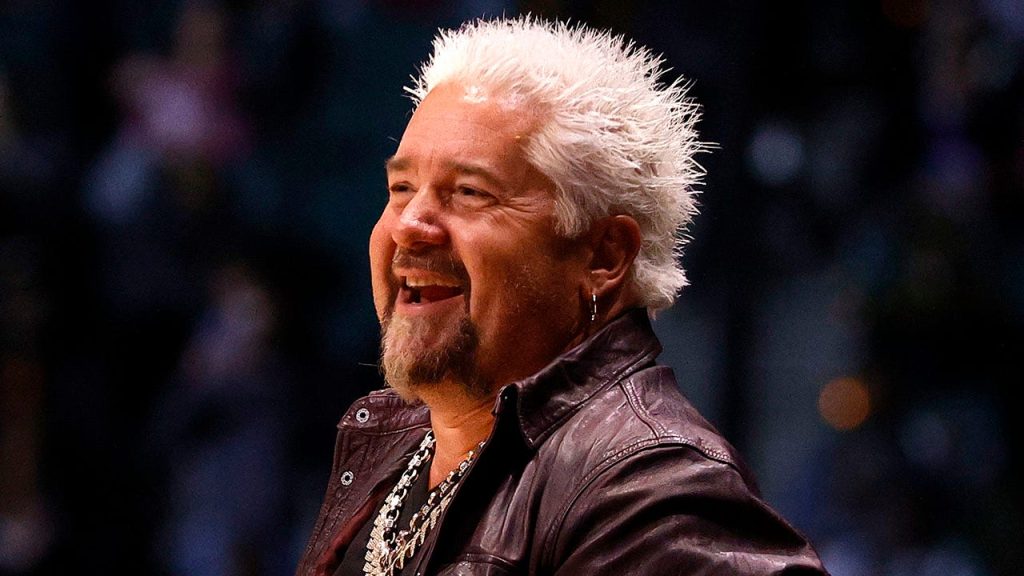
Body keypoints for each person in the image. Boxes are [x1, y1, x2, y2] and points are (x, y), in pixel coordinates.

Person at [295, 16, 828, 576]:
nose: (409, 225)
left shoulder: (654, 498)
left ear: (603, 257)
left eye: (470, 192)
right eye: (401, 188)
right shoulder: (391, 454)